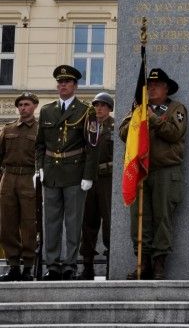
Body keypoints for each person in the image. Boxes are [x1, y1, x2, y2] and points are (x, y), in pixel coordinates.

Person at [119, 67, 187, 281]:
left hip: (165, 171)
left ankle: (159, 264)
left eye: (157, 85)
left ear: (166, 88)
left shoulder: (176, 108)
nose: (152, 89)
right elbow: (123, 133)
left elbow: (175, 133)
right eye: (150, 86)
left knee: (162, 219)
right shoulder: (139, 108)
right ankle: (142, 263)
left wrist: (154, 119)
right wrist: (138, 119)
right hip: (141, 171)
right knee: (140, 219)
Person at [35, 66, 99, 281]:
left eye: (67, 82)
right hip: (52, 173)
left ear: (75, 86)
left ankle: (70, 264)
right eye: (60, 82)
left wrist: (88, 175)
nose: (63, 85)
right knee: (51, 221)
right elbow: (40, 145)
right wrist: (39, 168)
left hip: (74, 173)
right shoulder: (46, 110)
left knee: (73, 222)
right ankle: (52, 265)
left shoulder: (86, 110)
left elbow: (92, 146)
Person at [0, 92, 39, 281]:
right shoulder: (7, 129)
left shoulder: (40, 130)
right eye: (21, 104)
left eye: (27, 104)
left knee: (29, 224)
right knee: (8, 224)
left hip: (29, 178)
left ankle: (28, 266)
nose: (23, 108)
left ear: (35, 106)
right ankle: (13, 265)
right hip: (8, 178)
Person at [80, 92, 114, 280]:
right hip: (89, 179)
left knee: (109, 222)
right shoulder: (89, 127)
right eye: (96, 105)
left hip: (107, 179)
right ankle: (87, 266)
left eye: (103, 105)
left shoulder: (115, 127)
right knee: (88, 222)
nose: (99, 108)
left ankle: (111, 263)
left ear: (109, 108)